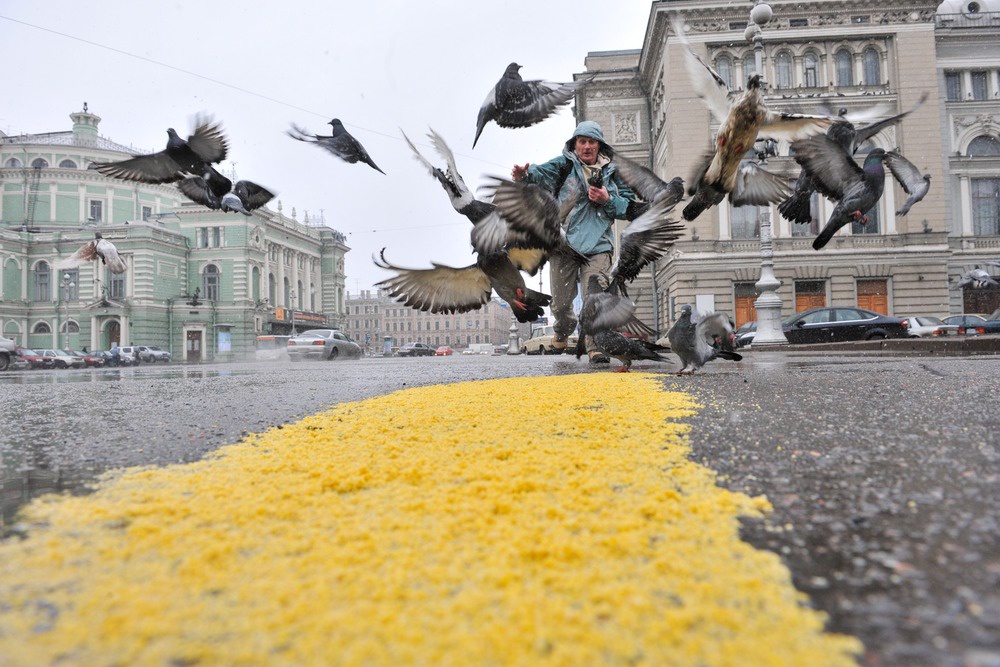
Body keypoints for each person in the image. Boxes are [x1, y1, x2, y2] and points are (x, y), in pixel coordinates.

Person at [511, 120, 637, 363]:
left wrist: (608, 200)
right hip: (563, 245)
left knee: (595, 300)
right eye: (582, 142)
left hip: (598, 246)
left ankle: (595, 346)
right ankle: (563, 328)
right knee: (560, 304)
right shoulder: (564, 165)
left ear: (599, 146)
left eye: (592, 142)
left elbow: (629, 206)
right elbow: (540, 174)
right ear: (575, 145)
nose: (587, 146)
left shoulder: (613, 172)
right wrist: (524, 175)